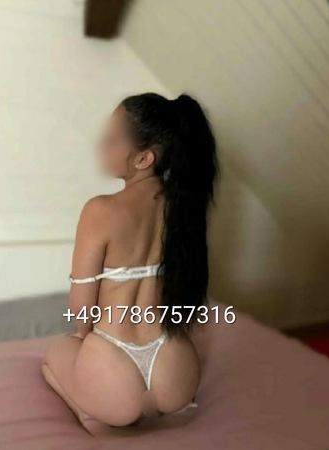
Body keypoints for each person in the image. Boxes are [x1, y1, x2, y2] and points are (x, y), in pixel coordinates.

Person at [41, 92, 219, 436]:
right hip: (176, 367)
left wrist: (85, 342)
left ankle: (92, 412)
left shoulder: (100, 210)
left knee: (55, 353)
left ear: (143, 158)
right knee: (82, 354)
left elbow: (82, 311)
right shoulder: (183, 205)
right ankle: (161, 407)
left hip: (114, 370)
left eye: (111, 139)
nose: (101, 145)